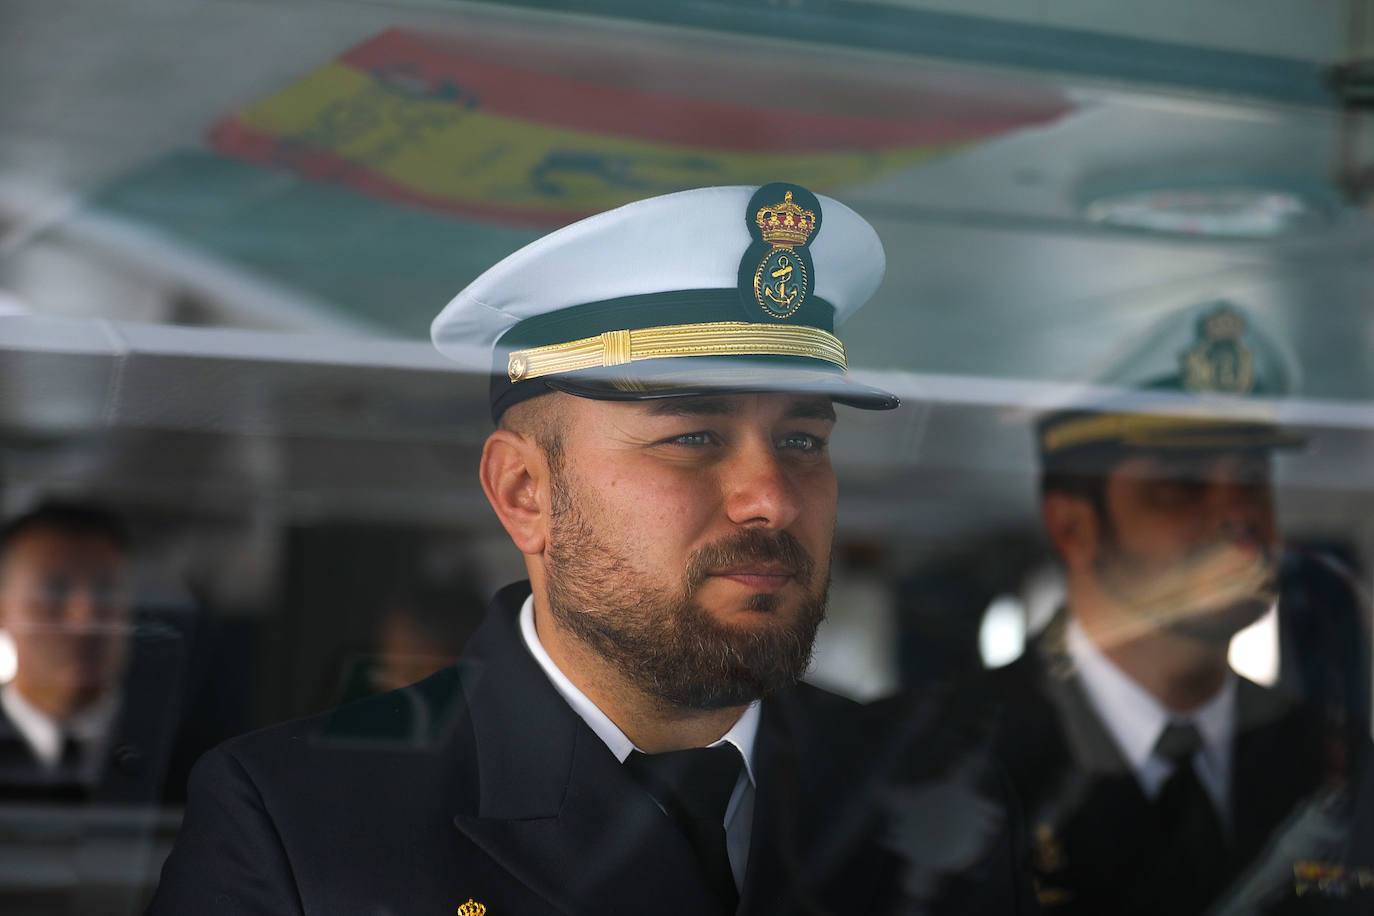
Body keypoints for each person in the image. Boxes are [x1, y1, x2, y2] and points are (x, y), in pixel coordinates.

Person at [149, 183, 1035, 914]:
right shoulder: (301, 818)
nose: (771, 496)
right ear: (524, 494)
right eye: (692, 437)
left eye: (804, 440)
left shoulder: (931, 790)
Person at [986, 303, 1346, 915]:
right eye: (1182, 484)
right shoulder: (947, 756)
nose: (1240, 520)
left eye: (1253, 480)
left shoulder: (1340, 766)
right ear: (1073, 526)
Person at [0, 500, 177, 803]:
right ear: (3, 608)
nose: (85, 620)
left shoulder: (193, 754)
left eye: (106, 591)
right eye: (54, 591)